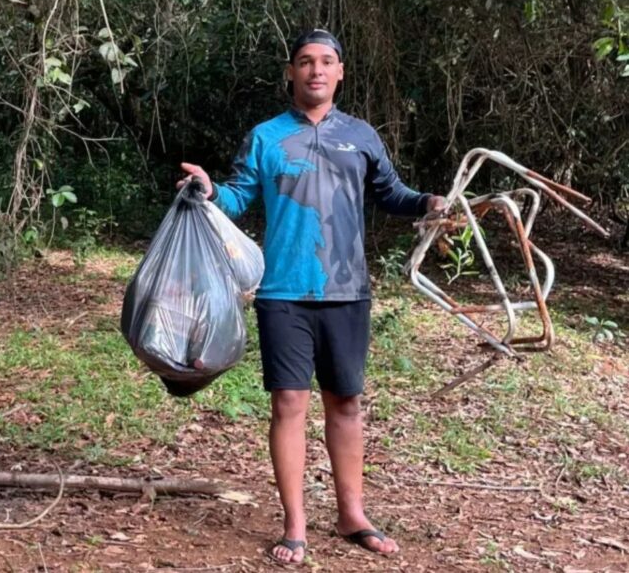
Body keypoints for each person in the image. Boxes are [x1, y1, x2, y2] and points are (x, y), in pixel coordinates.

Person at [179, 29, 446, 565]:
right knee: (289, 404)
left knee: (346, 404)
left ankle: (353, 515)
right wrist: (209, 191)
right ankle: (295, 524)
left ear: (340, 72)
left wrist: (429, 201)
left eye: (326, 62)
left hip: (348, 290)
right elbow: (237, 193)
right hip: (283, 292)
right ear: (291, 72)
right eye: (305, 62)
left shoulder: (362, 136)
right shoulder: (267, 137)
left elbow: (391, 193)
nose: (315, 71)